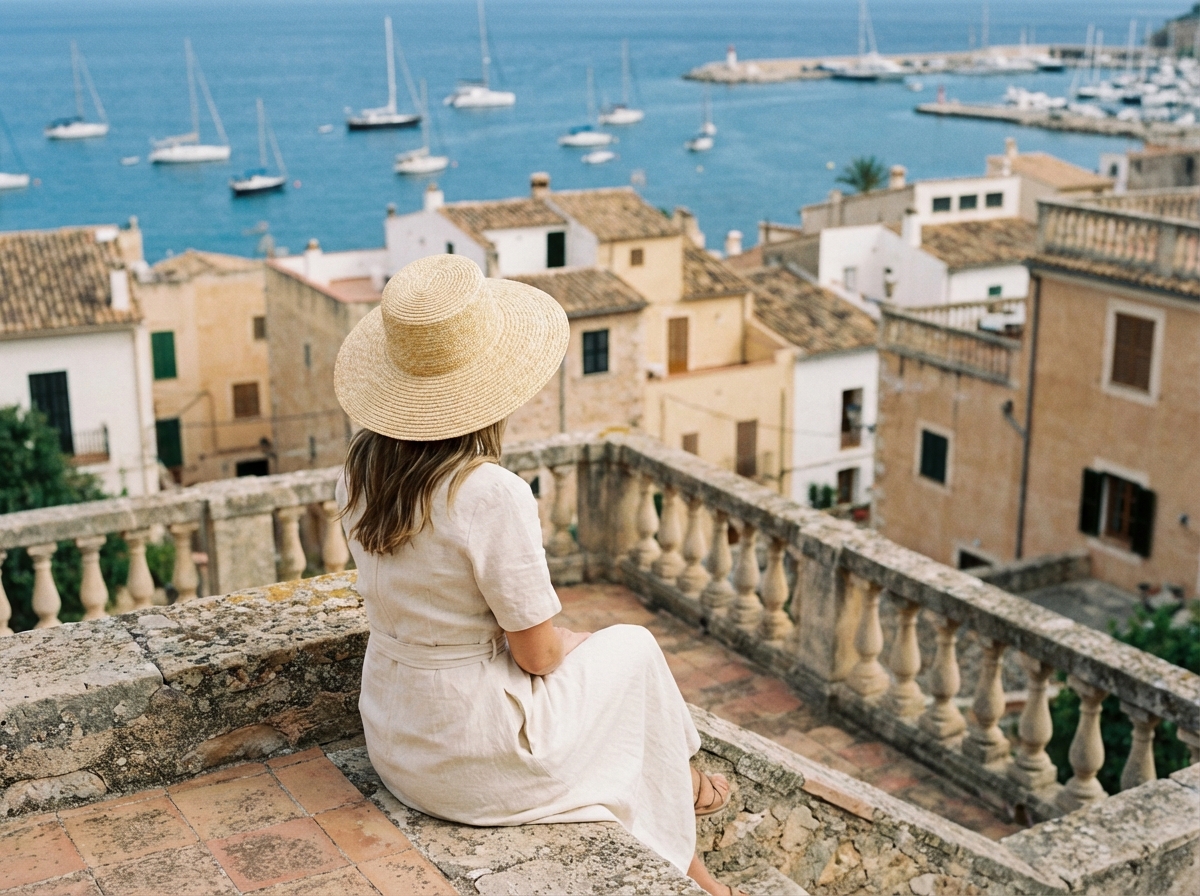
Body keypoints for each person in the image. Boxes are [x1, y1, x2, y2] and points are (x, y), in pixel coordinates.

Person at [333, 254, 745, 896]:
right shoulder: (488, 492)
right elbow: (537, 657)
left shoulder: (360, 473)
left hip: (399, 742)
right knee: (632, 650)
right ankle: (689, 792)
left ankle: (699, 874)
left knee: (616, 700)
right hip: (473, 756)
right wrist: (576, 642)